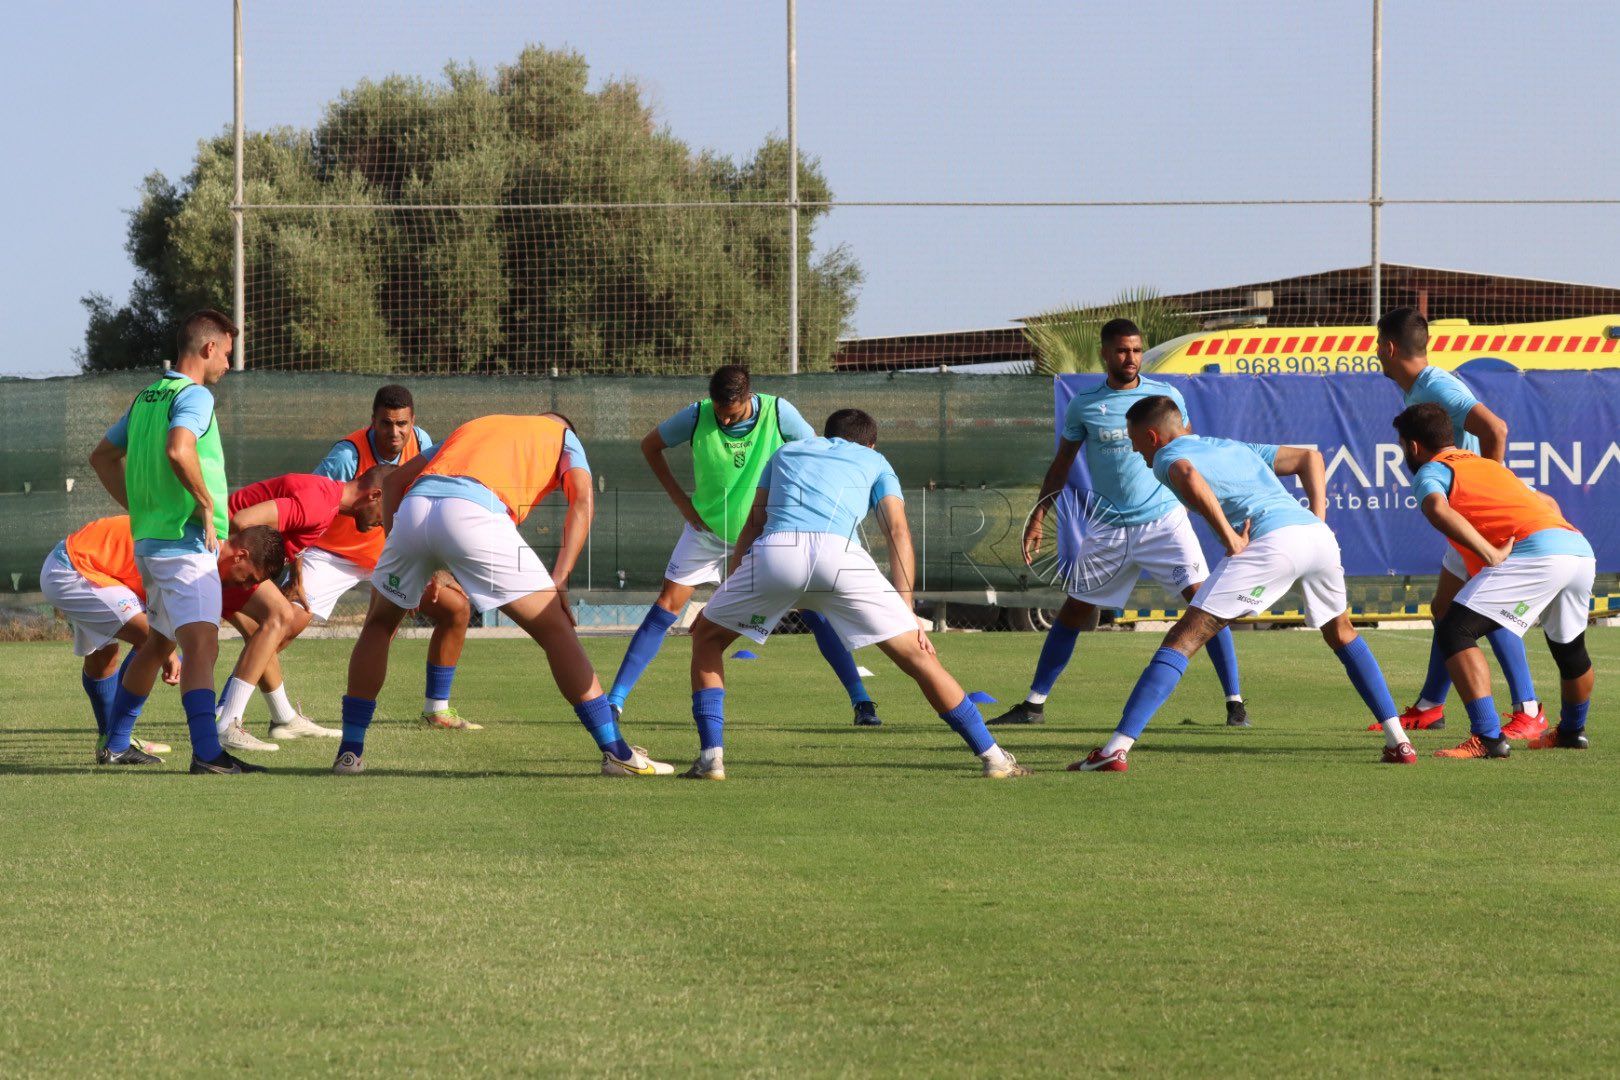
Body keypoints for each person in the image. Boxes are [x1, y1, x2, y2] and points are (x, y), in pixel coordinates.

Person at [683, 408, 1032, 780]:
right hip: (841, 561)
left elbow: (754, 523)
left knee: (706, 636)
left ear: (824, 435)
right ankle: (994, 758)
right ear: (870, 442)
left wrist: (735, 586)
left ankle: (711, 760)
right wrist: (908, 611)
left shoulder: (786, 452)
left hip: (777, 554)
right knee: (918, 659)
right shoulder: (875, 459)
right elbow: (898, 531)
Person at [1071, 395, 1414, 773]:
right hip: (1316, 539)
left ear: (1153, 436)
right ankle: (1399, 741)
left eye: (1137, 444)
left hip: (1271, 542)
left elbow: (1187, 474)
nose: (1138, 453)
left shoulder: (1167, 457)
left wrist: (1229, 539)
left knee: (1184, 637)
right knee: (1343, 632)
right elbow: (1310, 459)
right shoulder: (1233, 446)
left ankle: (1115, 750)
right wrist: (1317, 519)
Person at [333, 412, 673, 777]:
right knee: (556, 629)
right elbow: (582, 501)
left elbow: (398, 480)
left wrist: (404, 555)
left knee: (379, 625)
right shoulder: (562, 435)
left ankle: (349, 755)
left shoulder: (475, 425)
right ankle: (616, 751)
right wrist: (560, 578)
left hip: (416, 506)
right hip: (473, 512)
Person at [998, 319, 1247, 728]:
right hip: (1109, 528)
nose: (1130, 358)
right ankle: (1033, 705)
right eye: (1121, 351)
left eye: (1135, 350)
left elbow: (1191, 456)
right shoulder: (1084, 404)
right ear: (1105, 353)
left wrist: (1214, 508)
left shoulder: (1166, 395)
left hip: (1164, 523)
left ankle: (1235, 704)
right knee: (1075, 610)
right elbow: (1061, 465)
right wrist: (1040, 515)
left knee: (1206, 606)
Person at [606, 365, 882, 725]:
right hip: (706, 533)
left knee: (814, 612)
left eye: (731, 413)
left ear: (748, 398)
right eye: (719, 411)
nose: (723, 418)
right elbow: (650, 445)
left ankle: (862, 703)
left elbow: (816, 458)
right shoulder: (696, 415)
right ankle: (614, 701)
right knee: (664, 607)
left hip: (764, 536)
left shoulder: (780, 413)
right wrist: (681, 502)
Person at [86, 308, 268, 773]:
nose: (229, 364)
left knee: (159, 643)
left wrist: (139, 505)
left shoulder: (147, 396)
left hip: (150, 543)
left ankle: (116, 742)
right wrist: (206, 503)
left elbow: (102, 456)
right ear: (208, 349)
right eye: (227, 354)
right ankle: (208, 753)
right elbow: (179, 447)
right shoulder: (196, 396)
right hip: (185, 546)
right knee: (203, 647)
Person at [1393, 403, 1595, 758]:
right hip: (1576, 548)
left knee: (1454, 630)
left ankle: (1487, 738)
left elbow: (1436, 508)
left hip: (1538, 552)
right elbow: (1545, 500)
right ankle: (1571, 731)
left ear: (1412, 446)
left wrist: (1489, 552)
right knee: (1569, 649)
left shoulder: (1431, 470)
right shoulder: (1488, 466)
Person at [1376, 307, 1542, 737]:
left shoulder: (1436, 386)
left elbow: (1496, 429)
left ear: (1391, 348)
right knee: (1444, 608)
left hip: (1474, 515)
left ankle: (1529, 709)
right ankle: (1431, 705)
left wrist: (1491, 487)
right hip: (1465, 512)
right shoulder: (1421, 389)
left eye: (1379, 345)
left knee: (1484, 610)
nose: (1377, 353)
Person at [39, 514, 284, 760]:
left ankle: (111, 741)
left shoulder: (203, 542)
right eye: (249, 578)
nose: (244, 586)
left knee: (104, 658)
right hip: (74, 569)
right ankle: (117, 744)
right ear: (240, 556)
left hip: (82, 564)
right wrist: (169, 653)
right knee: (153, 641)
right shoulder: (198, 551)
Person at [307, 385, 477, 730]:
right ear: (372, 422)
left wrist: (432, 568)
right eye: (386, 423)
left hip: (391, 554)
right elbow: (307, 502)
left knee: (456, 609)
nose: (395, 432)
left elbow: (432, 505)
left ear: (413, 422)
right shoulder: (346, 456)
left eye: (402, 424)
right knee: (283, 620)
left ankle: (436, 710)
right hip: (333, 554)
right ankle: (230, 711)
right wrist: (294, 561)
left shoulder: (423, 445)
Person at [211, 468, 392, 752]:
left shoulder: (326, 499)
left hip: (223, 560)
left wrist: (296, 576)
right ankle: (227, 722)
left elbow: (285, 528)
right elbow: (241, 521)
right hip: (221, 560)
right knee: (279, 617)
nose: (384, 522)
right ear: (375, 495)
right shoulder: (320, 504)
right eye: (388, 510)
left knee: (265, 632)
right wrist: (233, 565)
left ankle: (282, 718)